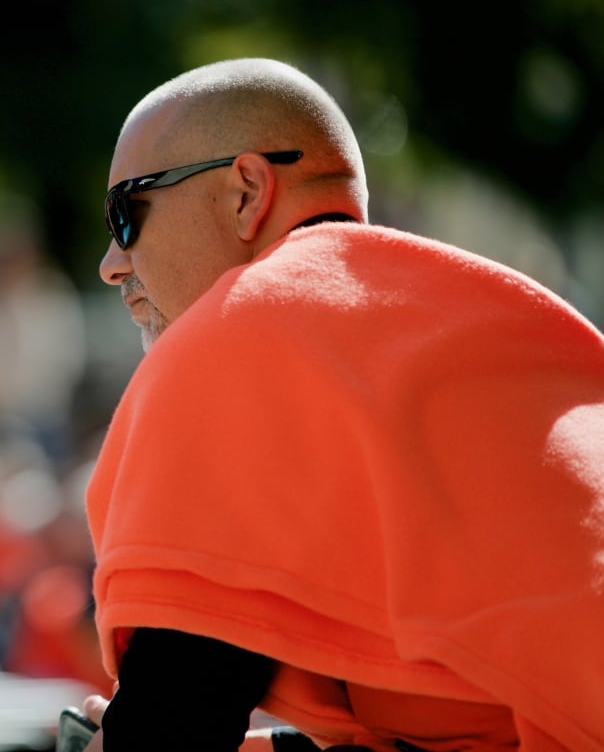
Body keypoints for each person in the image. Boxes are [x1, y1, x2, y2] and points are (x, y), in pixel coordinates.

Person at [73, 57, 604, 751]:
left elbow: (171, 723)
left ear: (246, 192)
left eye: (126, 212)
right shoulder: (505, 311)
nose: (112, 262)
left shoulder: (243, 327)